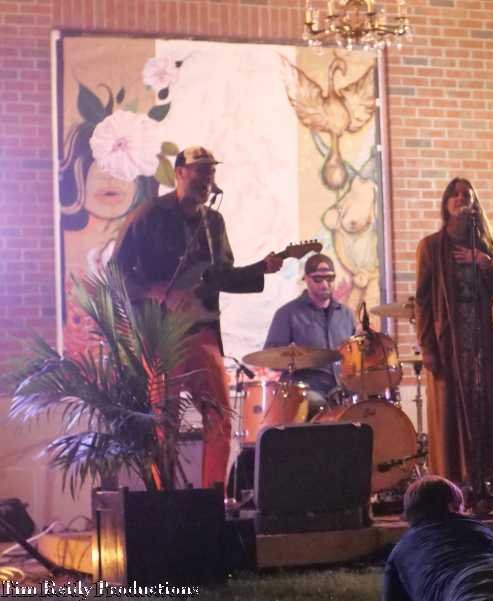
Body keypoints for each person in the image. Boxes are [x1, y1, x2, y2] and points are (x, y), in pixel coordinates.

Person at [113, 146, 284, 489]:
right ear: (180, 173)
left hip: (202, 331)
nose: (208, 178)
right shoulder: (149, 215)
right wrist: (158, 292)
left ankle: (213, 496)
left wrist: (261, 269)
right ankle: (164, 498)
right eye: (201, 170)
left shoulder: (213, 222)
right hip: (163, 333)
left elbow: (222, 276)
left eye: (211, 171)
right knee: (165, 422)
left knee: (219, 416)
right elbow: (115, 272)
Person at [414, 177, 493, 507]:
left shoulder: (484, 245)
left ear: (474, 204)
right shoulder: (431, 247)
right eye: (454, 195)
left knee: (483, 410)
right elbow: (423, 301)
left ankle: (486, 483)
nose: (460, 199)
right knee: (451, 417)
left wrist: (484, 263)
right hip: (449, 344)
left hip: (481, 343)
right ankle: (453, 489)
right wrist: (427, 346)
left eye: (466, 195)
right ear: (446, 204)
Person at [263, 253, 356, 417]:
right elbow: (271, 357)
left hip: (341, 390)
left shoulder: (346, 314)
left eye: (330, 278)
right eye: (318, 279)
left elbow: (353, 355)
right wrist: (293, 358)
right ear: (306, 279)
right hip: (305, 391)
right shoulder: (287, 313)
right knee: (315, 403)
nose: (325, 284)